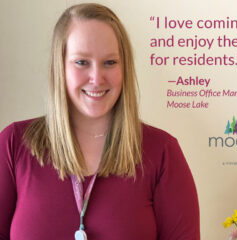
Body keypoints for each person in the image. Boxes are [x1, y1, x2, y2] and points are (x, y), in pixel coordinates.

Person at [0, 3, 200, 240]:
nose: (97, 78)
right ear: (60, 66)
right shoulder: (13, 144)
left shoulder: (163, 152)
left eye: (110, 62)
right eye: (82, 62)